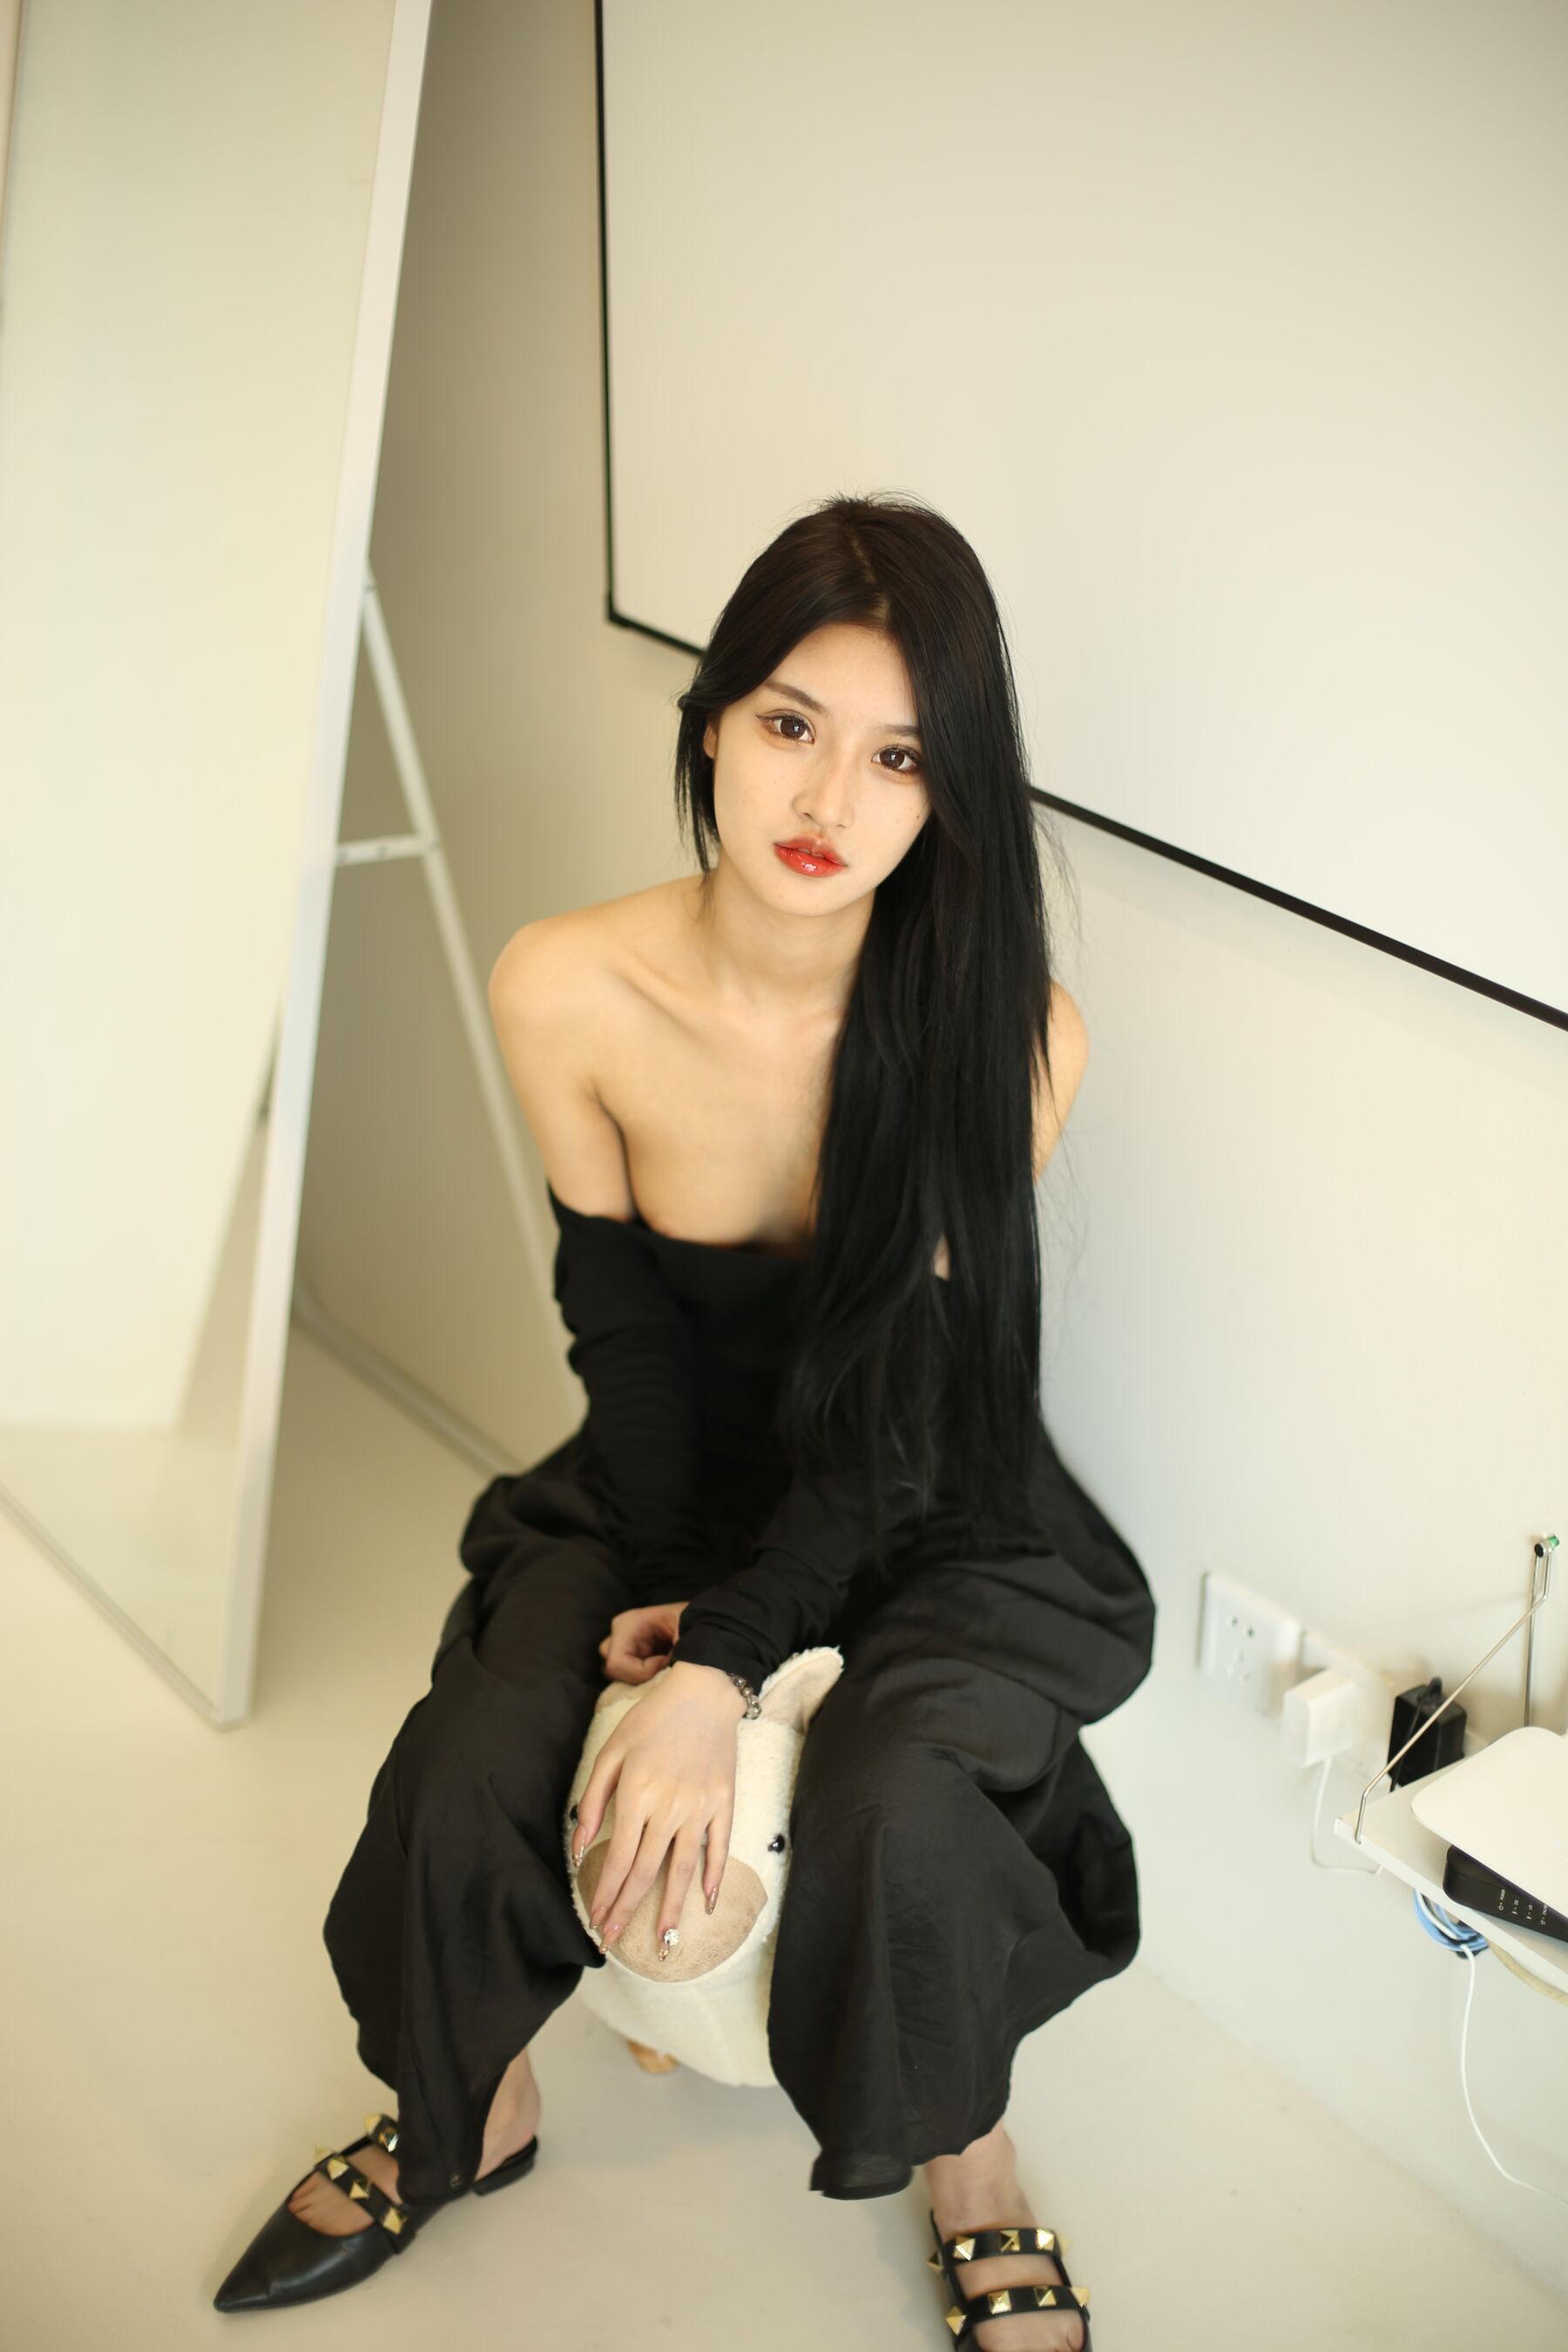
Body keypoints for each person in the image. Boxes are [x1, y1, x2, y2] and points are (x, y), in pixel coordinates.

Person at [213, 493, 1155, 2346]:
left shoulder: (1008, 1033)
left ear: (951, 792)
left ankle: (968, 2160)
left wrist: (722, 1662)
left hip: (923, 1498)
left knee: (898, 1792)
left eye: (899, 756)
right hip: (667, 1476)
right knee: (481, 1742)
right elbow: (626, 1336)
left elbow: (896, 1413)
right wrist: (667, 1592)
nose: (828, 799)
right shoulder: (567, 984)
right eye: (792, 723)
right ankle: (468, 2107)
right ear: (712, 720)